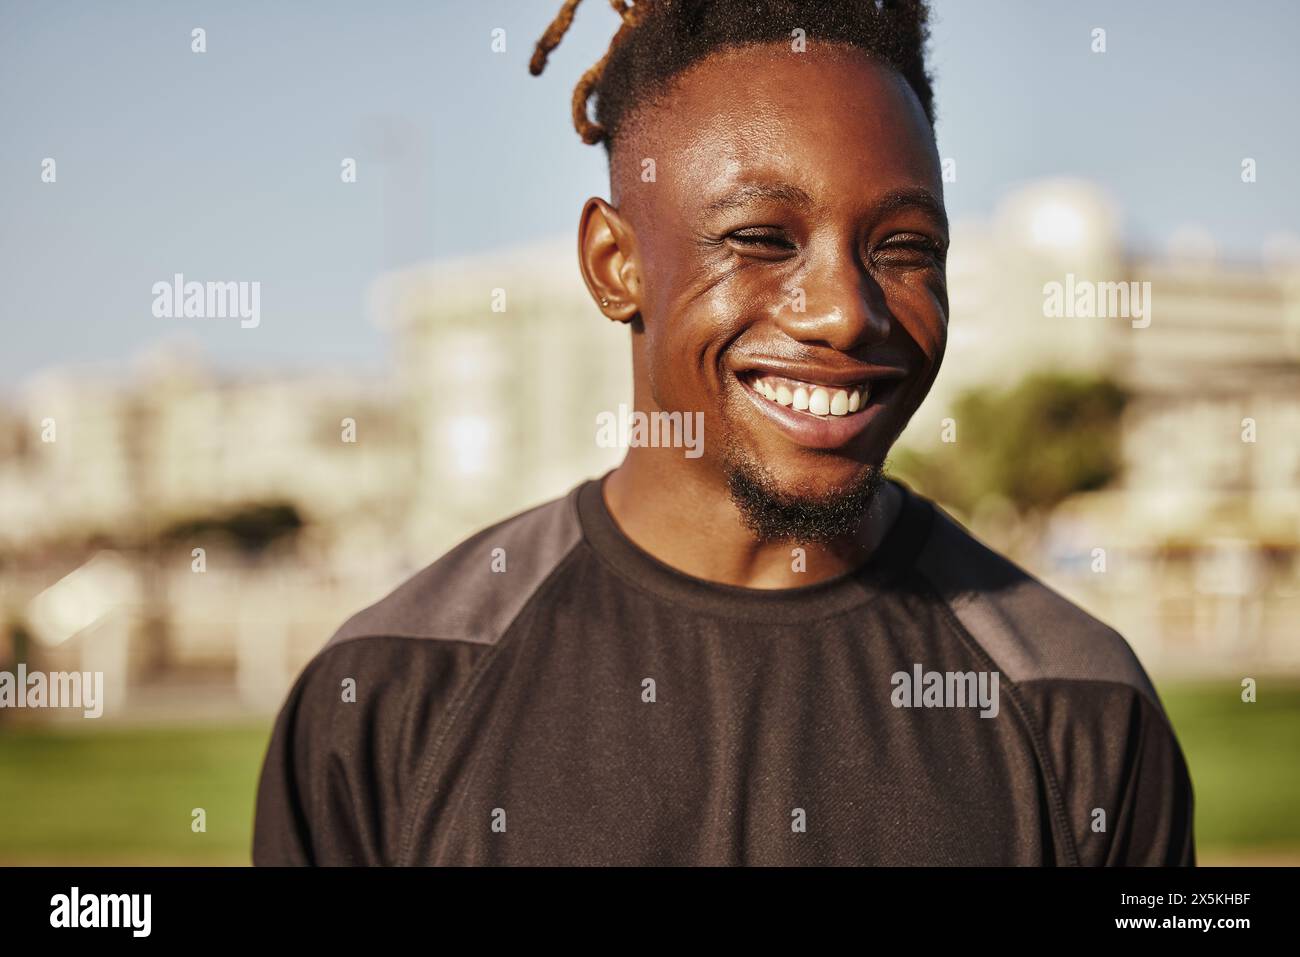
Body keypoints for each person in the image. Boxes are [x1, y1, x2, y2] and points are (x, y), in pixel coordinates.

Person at [253, 0, 1194, 866]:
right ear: (614, 263)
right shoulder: (385, 695)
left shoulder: (1080, 705)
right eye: (761, 238)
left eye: (904, 248)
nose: (844, 312)